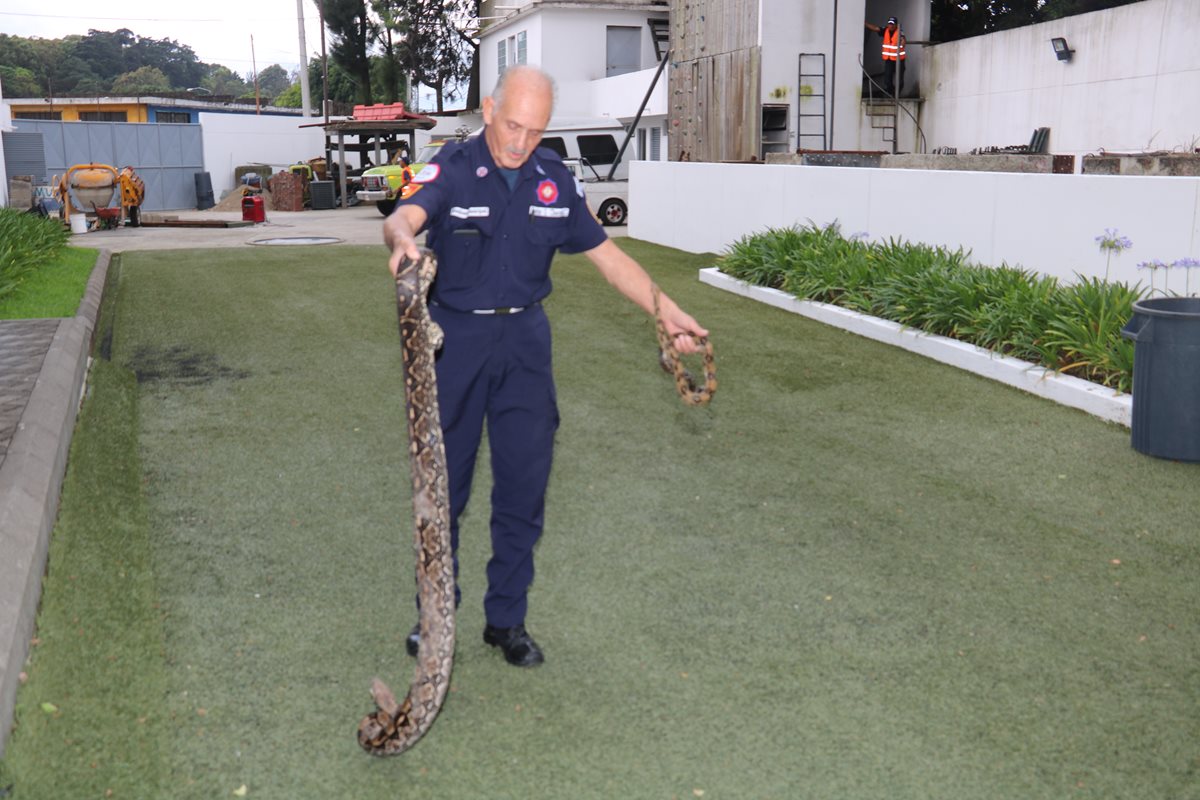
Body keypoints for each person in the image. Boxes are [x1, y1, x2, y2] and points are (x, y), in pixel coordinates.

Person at [383, 65, 708, 668]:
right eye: (512, 125)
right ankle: (435, 615)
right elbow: (404, 216)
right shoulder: (452, 168)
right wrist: (401, 238)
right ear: (488, 109)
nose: (519, 142)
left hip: (526, 345)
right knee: (443, 489)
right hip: (455, 340)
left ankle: (506, 619)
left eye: (535, 131)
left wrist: (667, 312)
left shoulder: (553, 178)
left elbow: (609, 257)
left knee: (523, 488)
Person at [865, 16, 906, 97]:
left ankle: (897, 94)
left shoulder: (900, 32)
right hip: (889, 60)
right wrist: (865, 24)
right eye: (889, 24)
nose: (891, 26)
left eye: (892, 24)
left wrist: (903, 42)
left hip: (899, 60)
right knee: (887, 79)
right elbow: (876, 28)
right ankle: (890, 93)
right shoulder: (885, 30)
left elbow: (903, 40)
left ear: (896, 25)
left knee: (899, 79)